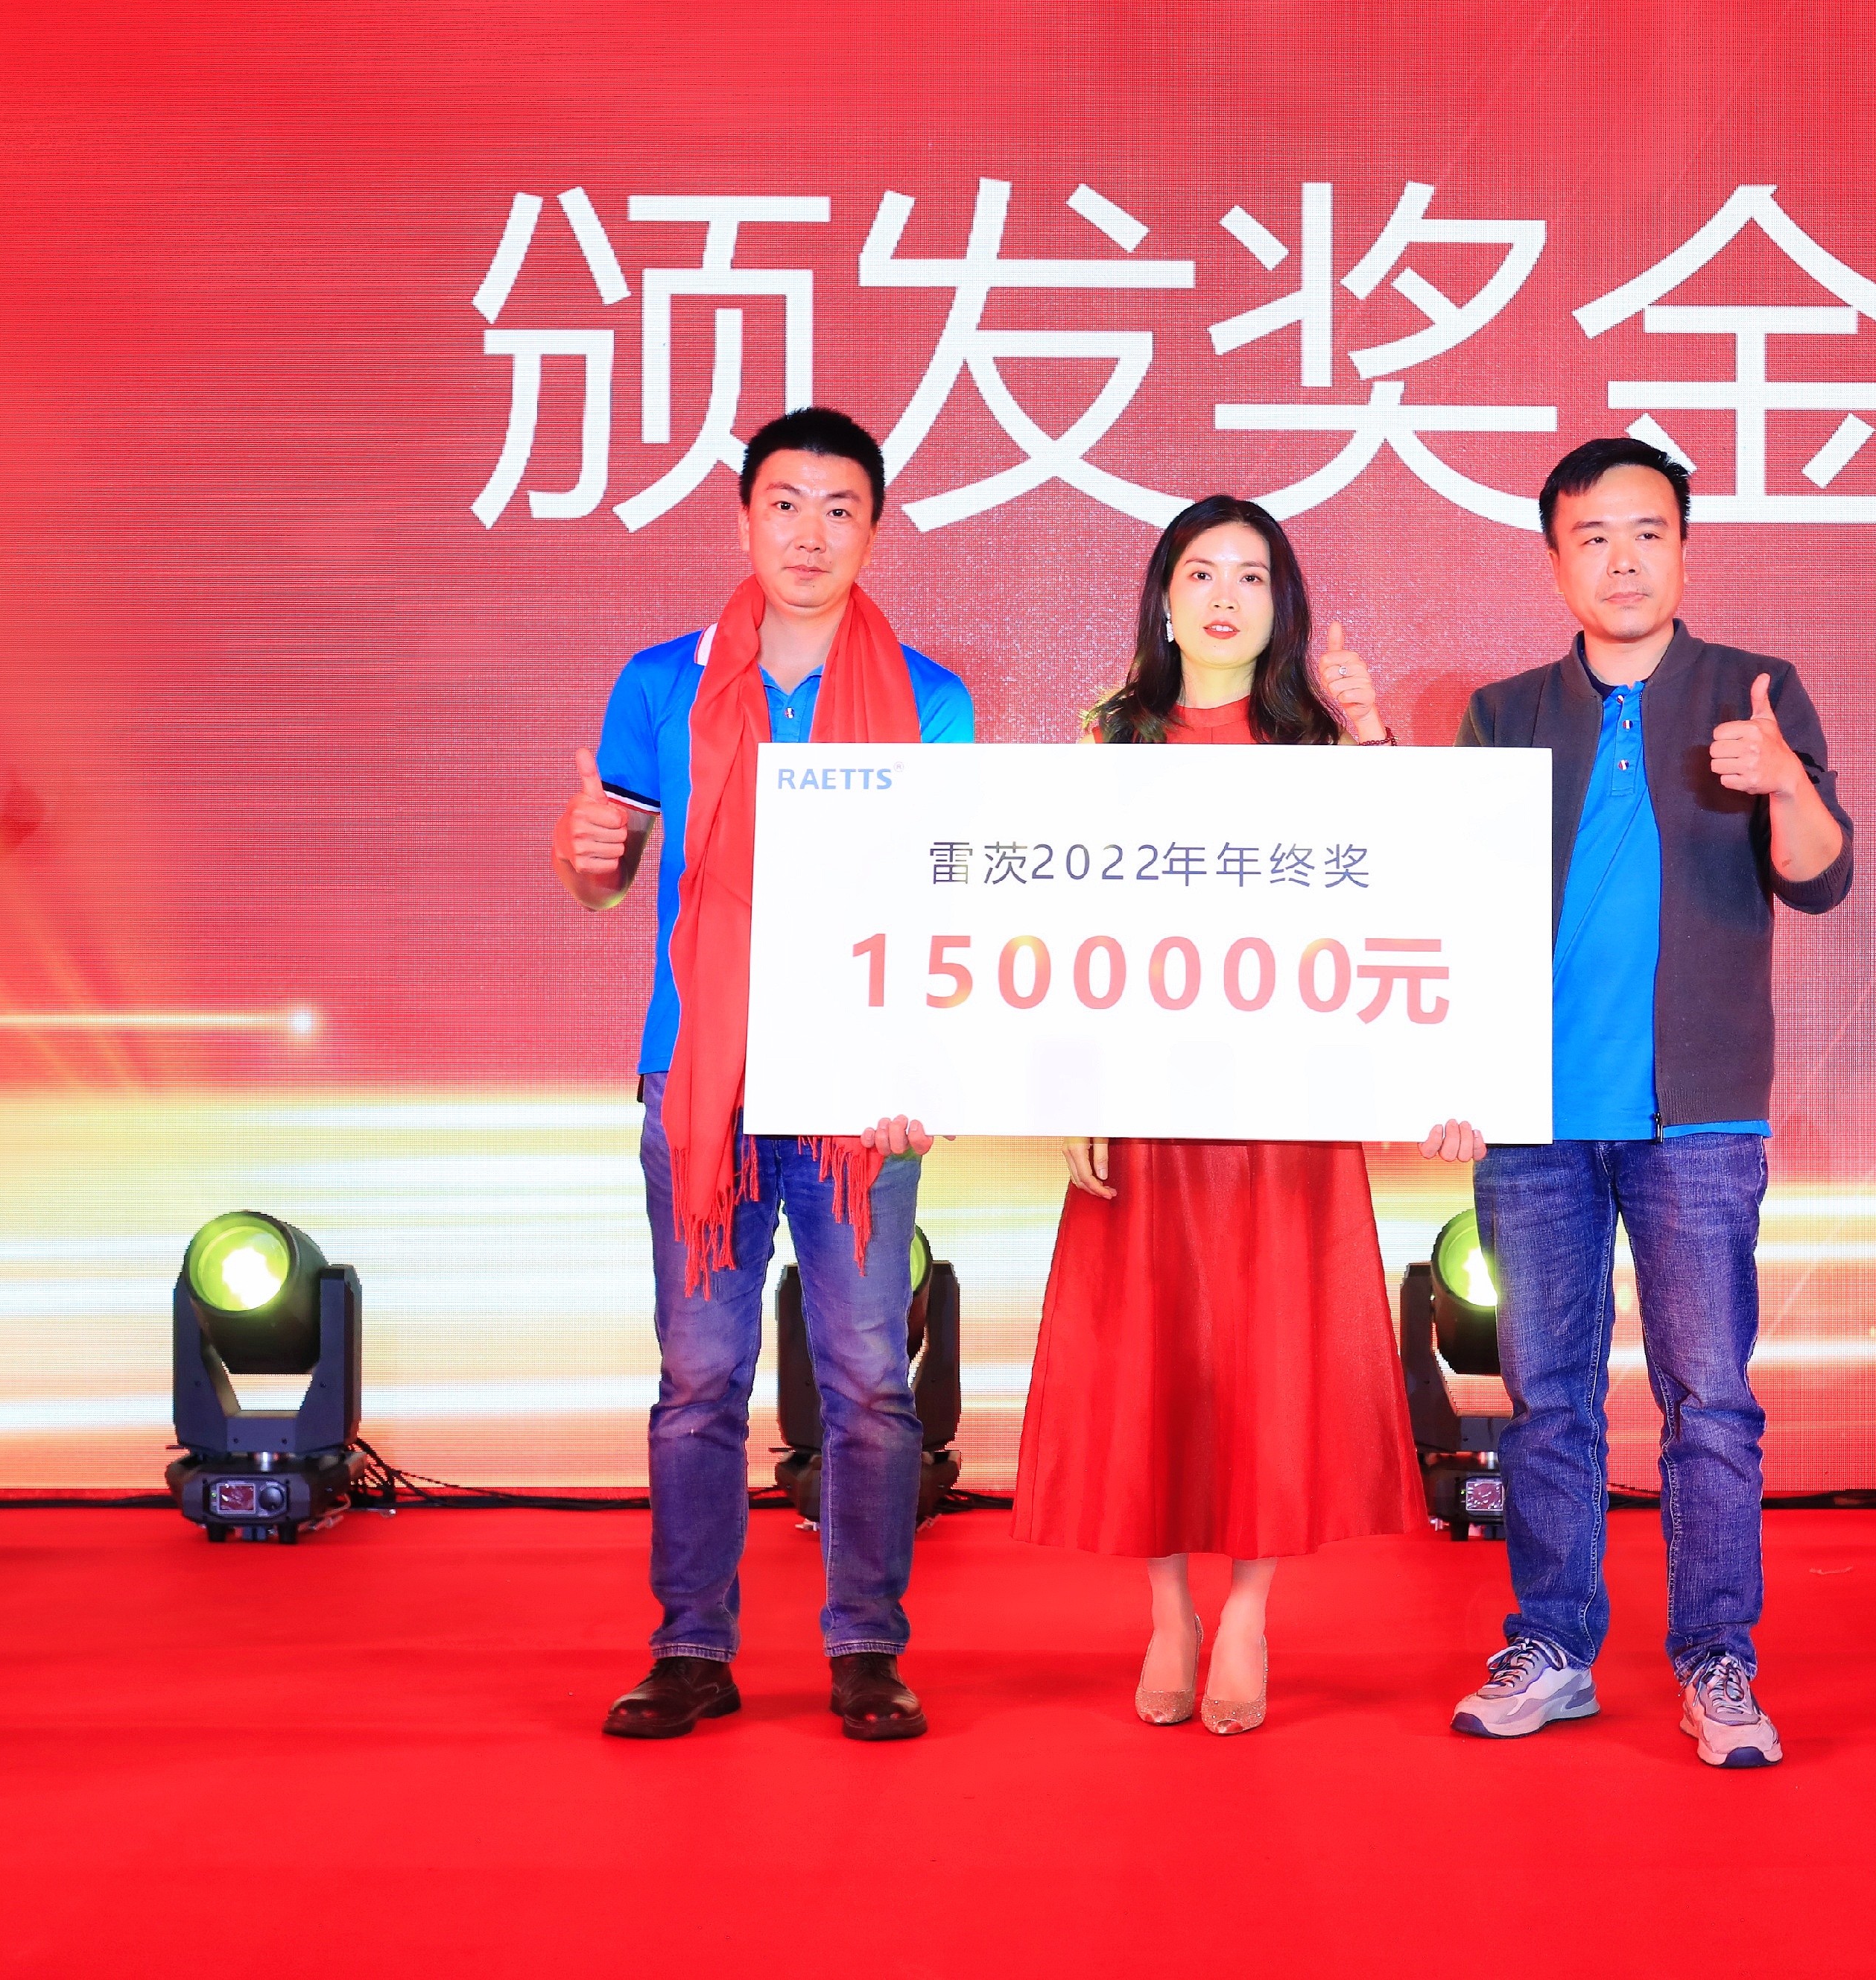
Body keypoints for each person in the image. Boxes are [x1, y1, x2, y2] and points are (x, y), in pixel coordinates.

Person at [551, 406, 976, 1743]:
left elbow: (944, 914)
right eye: (785, 503)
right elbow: (606, 881)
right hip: (699, 1078)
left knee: (870, 1382)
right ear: (744, 517)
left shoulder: (933, 699)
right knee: (698, 1378)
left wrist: (922, 1069)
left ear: (875, 529)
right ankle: (690, 1645)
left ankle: (868, 1647)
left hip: (861, 1089)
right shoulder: (659, 685)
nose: (809, 533)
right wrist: (581, 854)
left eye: (840, 508)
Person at [1427, 435, 1853, 1768]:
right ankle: (1553, 1643)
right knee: (1546, 1399)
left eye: (1648, 533)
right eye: (1593, 537)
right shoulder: (1505, 714)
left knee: (1710, 1399)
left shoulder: (1753, 692)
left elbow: (1821, 876)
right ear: (1555, 559)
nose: (1622, 561)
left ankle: (1719, 1657)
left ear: (1684, 547)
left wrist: (1783, 779)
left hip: (1700, 1118)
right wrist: (1456, 1073)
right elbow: (1450, 911)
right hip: (1535, 1120)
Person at [1010, 494, 1426, 1736]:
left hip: (1287, 1102)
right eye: (1202, 571)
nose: (1227, 595)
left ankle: (1247, 1609)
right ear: (1164, 597)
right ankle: (1167, 1611)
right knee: (1150, 1352)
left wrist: (1369, 732)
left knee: (1270, 1351)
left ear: (1282, 604)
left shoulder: (1319, 744)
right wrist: (1075, 1083)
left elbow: (1416, 871)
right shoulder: (1110, 737)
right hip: (1146, 1096)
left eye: (1252, 574)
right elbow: (1066, 927)